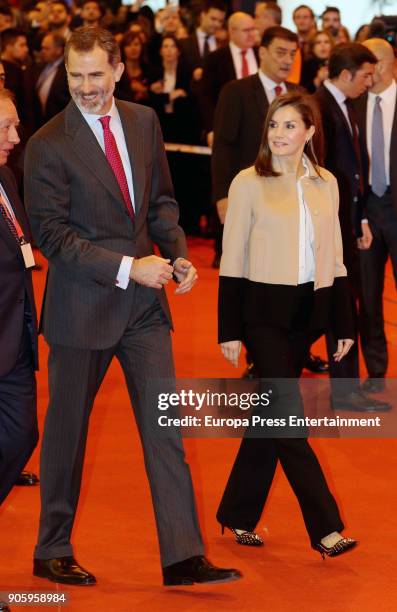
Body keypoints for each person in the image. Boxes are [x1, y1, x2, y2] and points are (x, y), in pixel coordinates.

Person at [25, 26, 241, 588]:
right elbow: (52, 237)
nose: (87, 87)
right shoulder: (48, 143)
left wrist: (176, 256)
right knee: (68, 435)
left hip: (144, 310)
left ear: (119, 70)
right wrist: (128, 267)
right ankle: (51, 548)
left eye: (97, 74)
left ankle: (182, 556)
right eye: (77, 76)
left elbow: (162, 203)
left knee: (164, 429)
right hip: (81, 310)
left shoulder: (144, 122)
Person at [217, 91, 357, 558]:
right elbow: (232, 258)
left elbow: (335, 260)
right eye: (273, 126)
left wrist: (342, 326)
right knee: (288, 420)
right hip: (262, 315)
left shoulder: (326, 183)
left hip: (308, 314)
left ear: (310, 132)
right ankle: (325, 527)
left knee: (268, 420)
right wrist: (229, 329)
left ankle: (236, 514)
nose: (279, 134)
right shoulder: (247, 183)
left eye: (289, 126)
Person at [313, 43, 391, 412]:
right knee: (335, 308)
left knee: (341, 307)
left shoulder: (344, 105)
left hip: (347, 222)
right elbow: (320, 171)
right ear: (345, 75)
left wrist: (359, 218)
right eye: (364, 75)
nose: (369, 82)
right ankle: (343, 391)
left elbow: (353, 169)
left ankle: (345, 388)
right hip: (330, 226)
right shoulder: (320, 108)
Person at [0, 88, 39, 510]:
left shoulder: (7, 176)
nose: (15, 137)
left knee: (22, 435)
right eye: (6, 128)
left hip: (16, 339)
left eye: (16, 127)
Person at [354, 38, 397, 392]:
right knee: (368, 298)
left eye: (370, 66)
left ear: (384, 64)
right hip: (366, 214)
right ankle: (377, 372)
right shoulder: (353, 106)